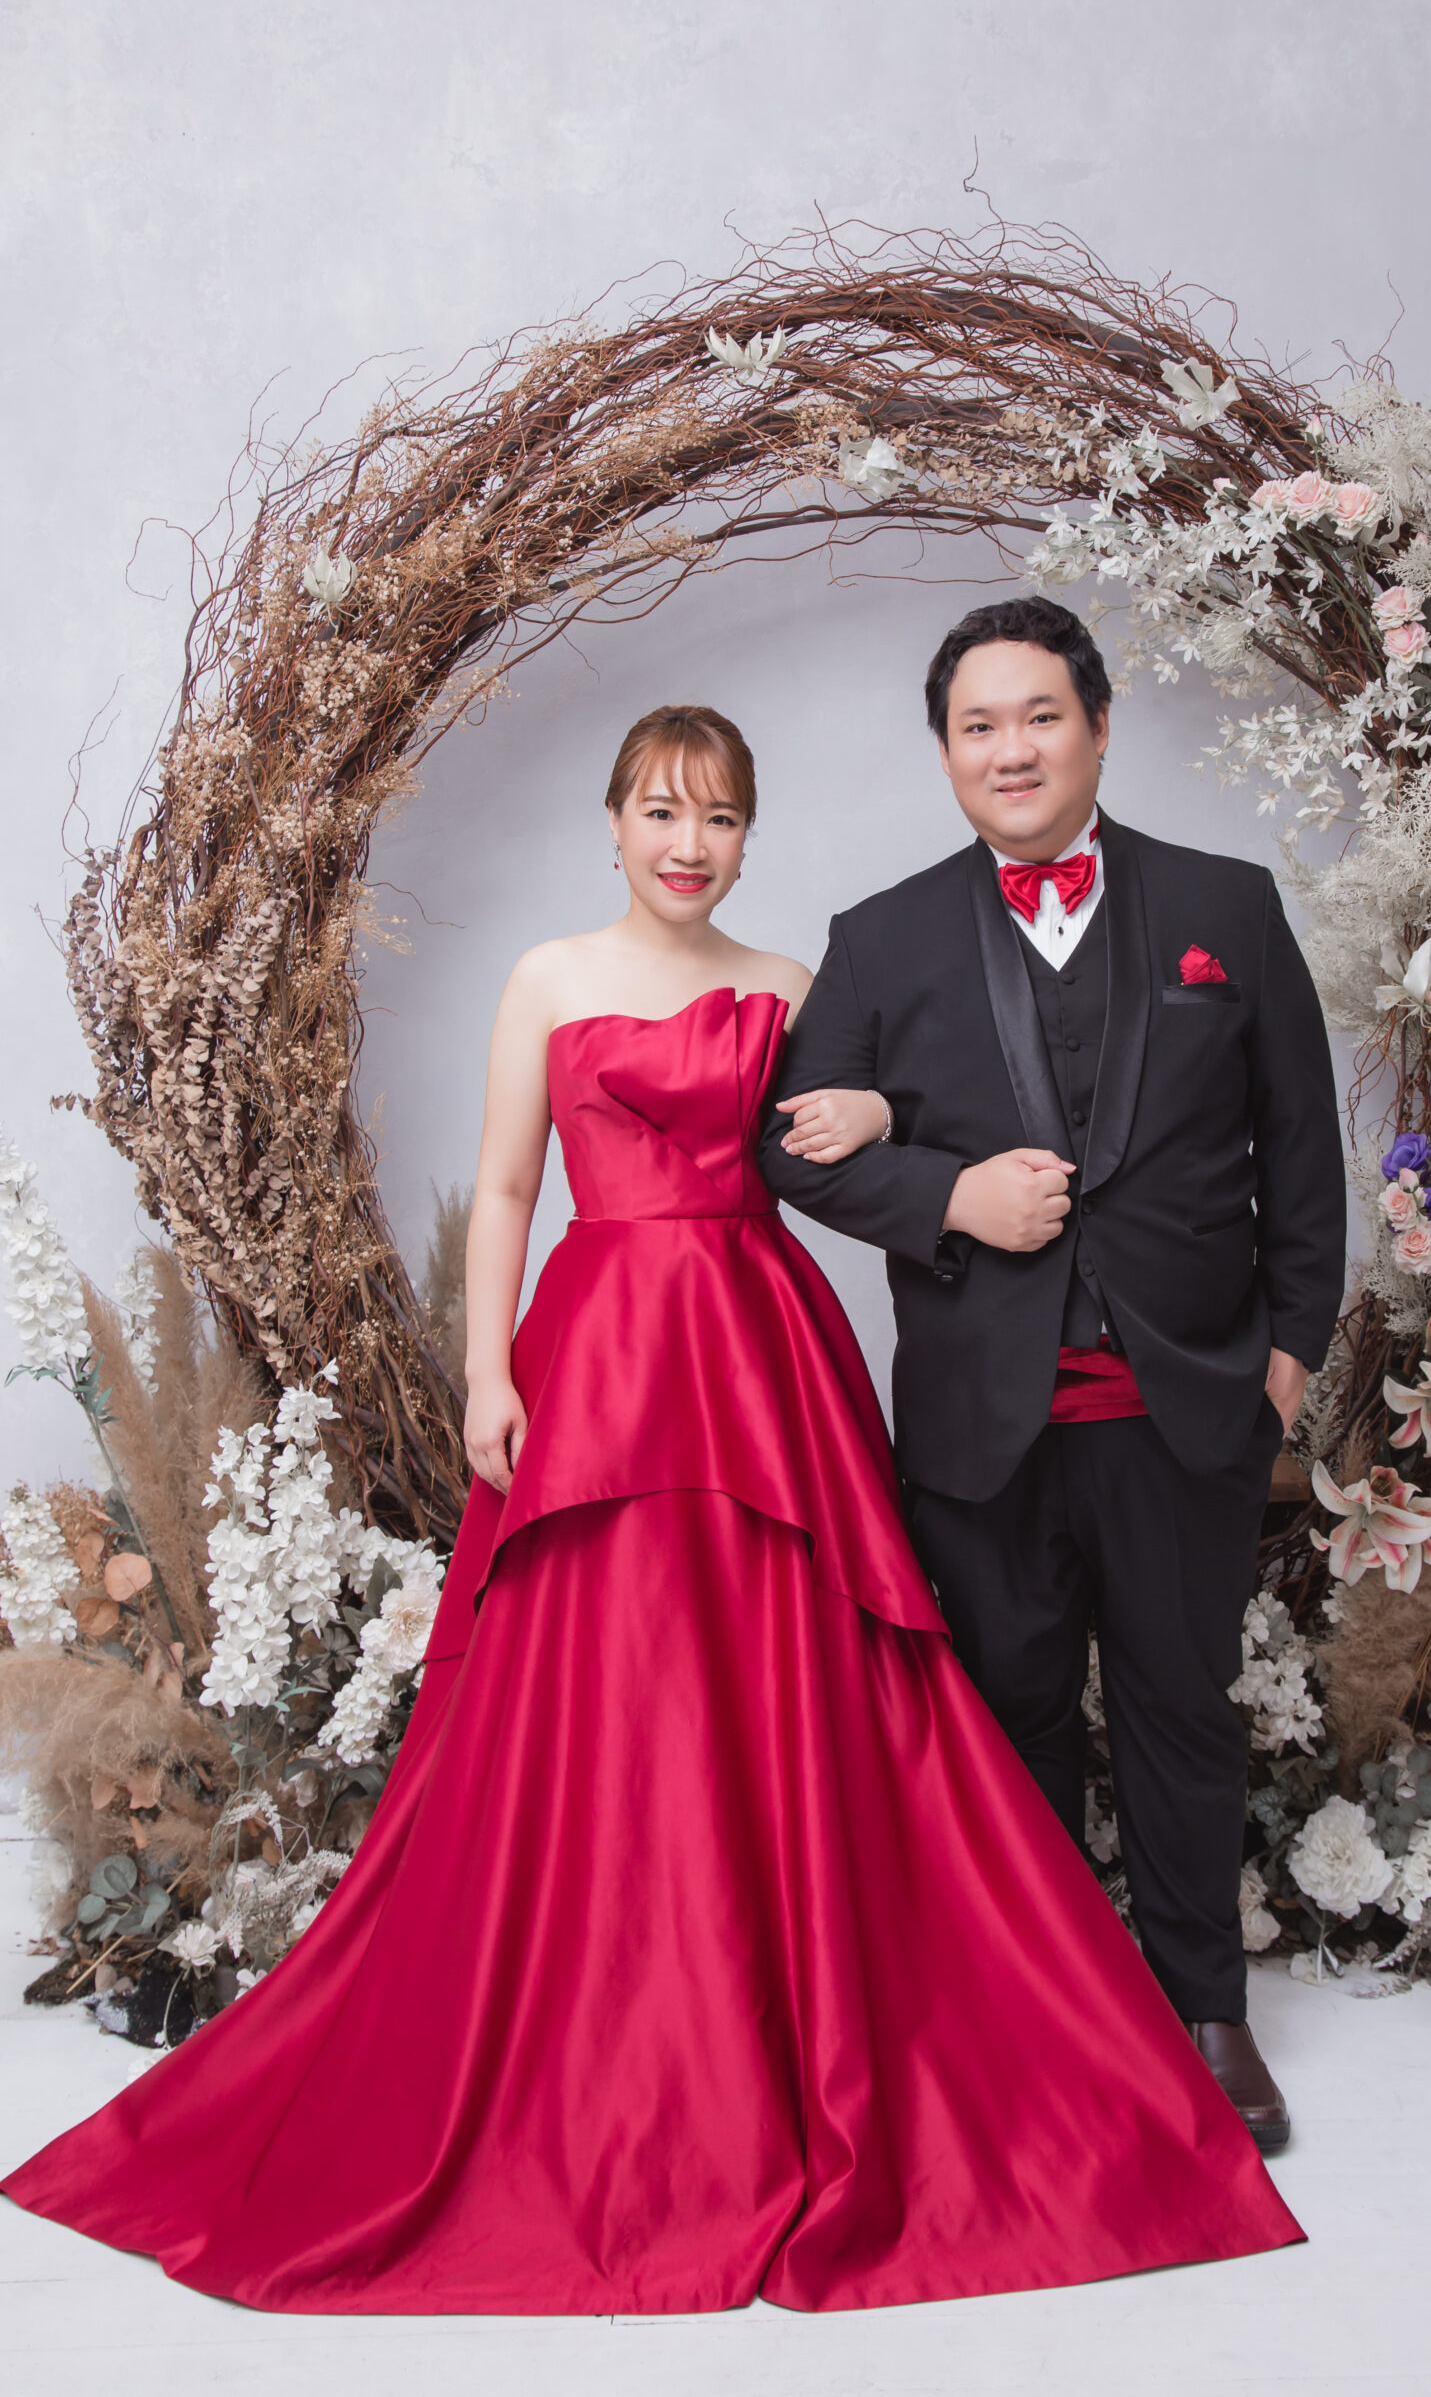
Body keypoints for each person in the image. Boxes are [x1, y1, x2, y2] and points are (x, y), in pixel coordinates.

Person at [4, 701, 1301, 2313]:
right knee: (610, 1682)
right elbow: (506, 1186)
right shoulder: (549, 978)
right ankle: (625, 1998)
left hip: (760, 1355)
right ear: (614, 822)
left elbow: (898, 1128)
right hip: (604, 1357)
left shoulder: (795, 987)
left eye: (722, 819)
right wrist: (488, 1374)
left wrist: (883, 1116)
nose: (692, 846)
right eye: (664, 814)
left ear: (748, 836)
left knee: (792, 1684)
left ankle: (843, 1987)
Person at [760, 601, 1347, 2148]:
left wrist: (1287, 1360)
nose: (1010, 749)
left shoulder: (1227, 906)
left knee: (1181, 1711)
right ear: (947, 753)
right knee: (1010, 1716)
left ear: (1095, 726)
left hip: (1187, 1408)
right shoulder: (883, 938)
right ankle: (1044, 2013)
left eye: (1038, 717)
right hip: (984, 1419)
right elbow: (791, 1144)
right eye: (979, 726)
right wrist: (948, 1192)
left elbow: (1302, 1151)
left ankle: (1206, 2012)